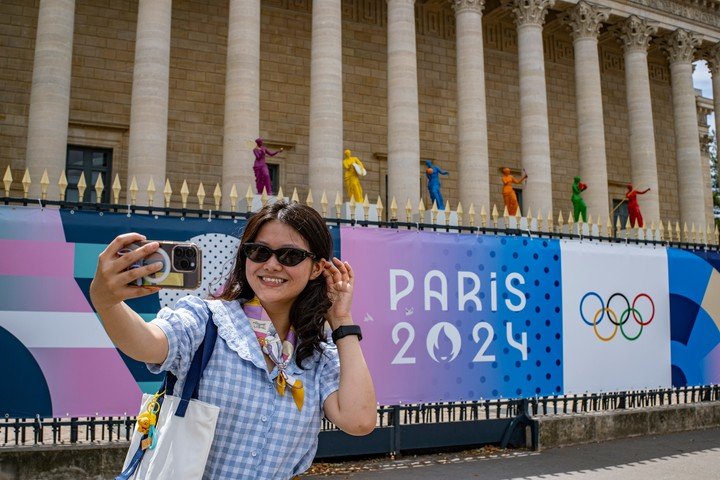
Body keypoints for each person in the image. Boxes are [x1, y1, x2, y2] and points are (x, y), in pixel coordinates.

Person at [89, 201, 377, 479]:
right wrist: (106, 301)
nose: (272, 265)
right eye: (259, 252)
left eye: (289, 255)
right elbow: (147, 343)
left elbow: (360, 421)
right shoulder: (207, 320)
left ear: (317, 267)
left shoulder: (316, 353)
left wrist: (341, 321)